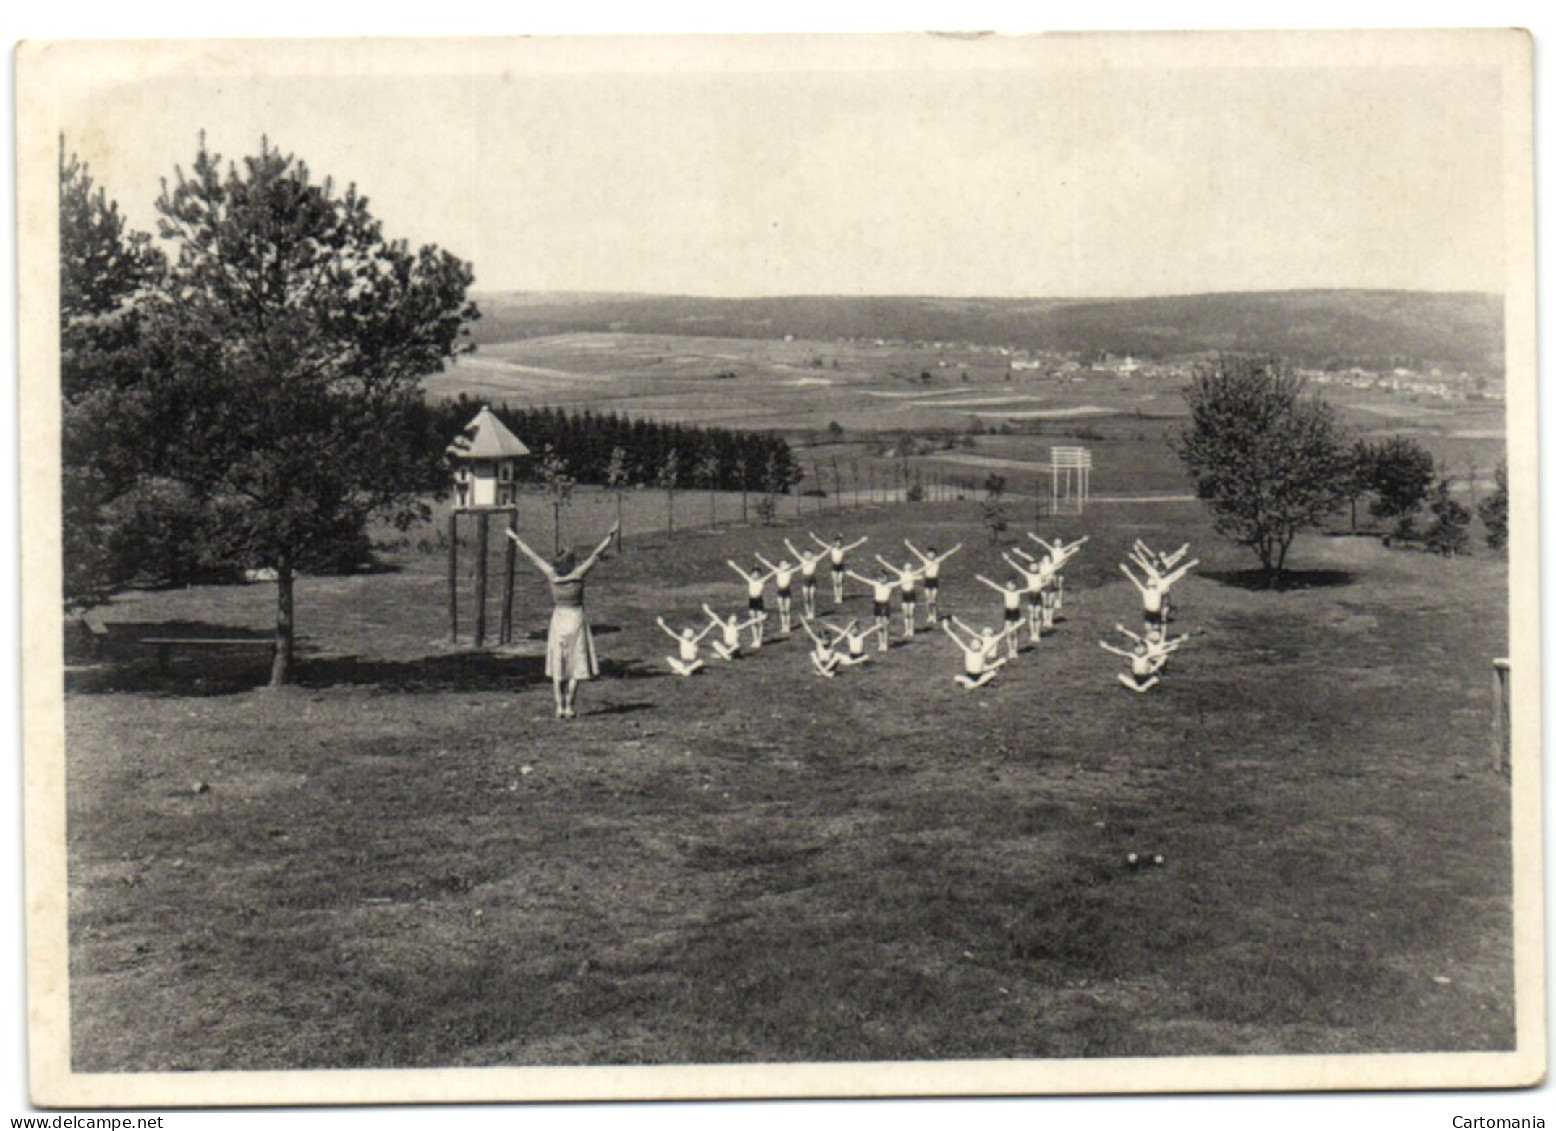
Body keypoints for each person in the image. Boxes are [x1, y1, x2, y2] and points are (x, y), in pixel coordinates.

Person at [506, 521, 619, 719]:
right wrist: (610, 537)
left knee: (559, 663)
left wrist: (515, 539)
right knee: (576, 664)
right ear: (572, 563)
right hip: (575, 619)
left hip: (559, 620)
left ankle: (559, 706)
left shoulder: (551, 575)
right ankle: (570, 706)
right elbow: (596, 555)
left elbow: (532, 557)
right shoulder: (578, 574)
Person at [1121, 556, 1199, 633]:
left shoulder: (1152, 589)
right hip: (1151, 612)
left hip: (1153, 612)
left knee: (1155, 629)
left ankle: (1160, 627)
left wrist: (1127, 570)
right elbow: (1137, 578)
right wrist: (1127, 570)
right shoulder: (1153, 589)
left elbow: (1136, 579)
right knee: (1152, 630)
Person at [942, 616, 1013, 690]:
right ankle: (976, 684)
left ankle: (974, 685)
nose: (974, 644)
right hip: (969, 676)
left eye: (977, 643)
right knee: (956, 677)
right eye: (973, 643)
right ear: (970, 645)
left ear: (980, 646)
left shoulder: (983, 652)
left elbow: (994, 641)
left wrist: (1005, 632)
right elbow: (956, 639)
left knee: (993, 673)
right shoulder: (967, 650)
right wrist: (946, 629)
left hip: (979, 676)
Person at [904, 540, 962, 626]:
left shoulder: (937, 560)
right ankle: (929, 615)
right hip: (927, 580)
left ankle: (934, 616)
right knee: (928, 600)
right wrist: (909, 545)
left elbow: (947, 554)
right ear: (927, 554)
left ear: (935, 554)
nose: (930, 555)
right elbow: (916, 552)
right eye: (929, 553)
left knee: (933, 600)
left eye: (932, 553)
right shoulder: (925, 560)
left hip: (934, 580)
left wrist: (956, 548)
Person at [845, 567, 903, 651]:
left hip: (885, 605)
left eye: (884, 577)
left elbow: (902, 581)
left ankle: (885, 644)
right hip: (877, 605)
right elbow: (863, 579)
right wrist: (853, 574)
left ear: (887, 578)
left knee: (885, 625)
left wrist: (913, 577)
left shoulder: (889, 585)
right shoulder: (876, 584)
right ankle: (880, 644)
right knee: (878, 625)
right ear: (878, 578)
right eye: (881, 577)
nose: (882, 579)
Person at [727, 558, 779, 647]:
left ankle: (759, 639)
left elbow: (771, 574)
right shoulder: (750, 580)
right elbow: (741, 572)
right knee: (752, 620)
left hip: (759, 602)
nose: (755, 576)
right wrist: (733, 565)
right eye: (753, 574)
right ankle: (755, 639)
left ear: (760, 575)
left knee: (760, 620)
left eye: (757, 574)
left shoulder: (762, 581)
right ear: (751, 575)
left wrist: (776, 570)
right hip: (752, 602)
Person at [1001, 551, 1049, 644]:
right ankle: (1032, 633)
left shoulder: (1040, 575)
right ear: (1030, 567)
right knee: (1031, 614)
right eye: (1032, 566)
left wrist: (1045, 583)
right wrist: (1008, 559)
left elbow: (1049, 575)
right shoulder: (1028, 575)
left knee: (1037, 614)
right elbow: (1018, 567)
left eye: (1035, 566)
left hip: (1038, 596)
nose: (1033, 567)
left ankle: (1037, 634)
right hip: (1031, 596)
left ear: (1038, 567)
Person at [875, 554, 927, 637]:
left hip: (911, 594)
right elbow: (890, 567)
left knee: (911, 612)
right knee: (906, 613)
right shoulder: (901, 573)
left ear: (911, 568)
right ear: (904, 567)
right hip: (904, 594)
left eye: (909, 567)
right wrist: (881, 560)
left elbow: (923, 568)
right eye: (906, 566)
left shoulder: (913, 573)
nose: (907, 568)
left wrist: (919, 575)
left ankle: (911, 630)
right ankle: (907, 630)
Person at [975, 573, 1026, 658]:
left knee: (1015, 632)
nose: (1011, 587)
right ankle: (1010, 650)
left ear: (1015, 586)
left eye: (1012, 585)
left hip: (1016, 612)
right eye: (1009, 585)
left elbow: (1030, 589)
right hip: (1008, 612)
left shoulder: (1018, 592)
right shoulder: (1005, 592)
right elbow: (994, 585)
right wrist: (983, 579)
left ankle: (1014, 650)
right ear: (1007, 586)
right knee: (1008, 631)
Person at [810, 532, 869, 605]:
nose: (838, 544)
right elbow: (821, 544)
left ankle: (840, 598)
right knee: (835, 582)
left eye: (839, 543)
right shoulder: (832, 549)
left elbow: (852, 546)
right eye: (837, 543)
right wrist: (814, 538)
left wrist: (860, 541)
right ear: (835, 543)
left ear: (841, 543)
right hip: (834, 567)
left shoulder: (843, 549)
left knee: (840, 582)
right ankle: (836, 597)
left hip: (840, 567)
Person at [755, 553, 798, 635]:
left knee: (787, 610)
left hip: (787, 592)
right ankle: (783, 626)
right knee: (782, 610)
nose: (783, 566)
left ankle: (787, 626)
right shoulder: (777, 571)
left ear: (787, 566)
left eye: (784, 564)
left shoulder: (789, 572)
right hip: (780, 592)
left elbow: (799, 567)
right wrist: (760, 557)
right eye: (781, 564)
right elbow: (768, 564)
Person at [784, 538, 828, 619]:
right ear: (804, 555)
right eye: (806, 554)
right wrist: (788, 544)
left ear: (812, 554)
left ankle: (812, 612)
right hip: (805, 579)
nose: (807, 555)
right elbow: (794, 552)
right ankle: (808, 613)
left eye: (809, 554)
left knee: (812, 596)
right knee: (806, 597)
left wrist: (828, 549)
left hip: (812, 579)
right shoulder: (802, 560)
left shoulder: (815, 560)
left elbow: (823, 554)